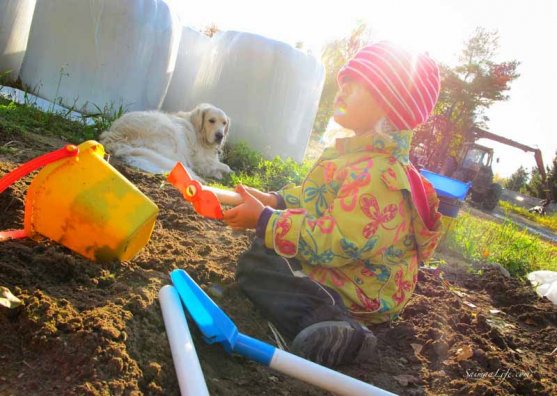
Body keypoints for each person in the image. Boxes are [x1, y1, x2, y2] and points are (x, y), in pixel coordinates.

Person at [223, 41, 443, 368]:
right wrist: (274, 201)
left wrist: (269, 221)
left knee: (261, 264)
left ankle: (335, 326)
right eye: (344, 83)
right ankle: (326, 314)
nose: (341, 93)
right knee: (263, 253)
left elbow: (339, 240)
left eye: (354, 88)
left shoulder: (379, 174)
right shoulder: (355, 155)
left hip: (362, 288)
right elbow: (318, 198)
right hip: (353, 271)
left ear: (387, 107)